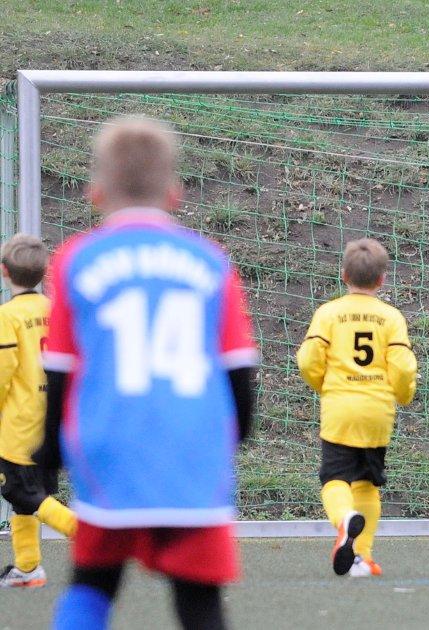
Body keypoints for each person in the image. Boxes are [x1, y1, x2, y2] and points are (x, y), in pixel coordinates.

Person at [35, 116, 258, 629]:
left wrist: (49, 453)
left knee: (93, 583)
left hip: (108, 448)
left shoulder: (76, 260)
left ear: (95, 192)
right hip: (191, 452)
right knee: (200, 601)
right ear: (175, 192)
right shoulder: (210, 263)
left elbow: (60, 370)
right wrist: (233, 437)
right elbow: (239, 370)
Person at [296, 237, 417, 577]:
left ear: (344, 275)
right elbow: (403, 368)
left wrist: (323, 384)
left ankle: (344, 519)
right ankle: (362, 558)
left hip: (340, 408)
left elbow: (308, 359)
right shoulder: (391, 317)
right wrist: (403, 395)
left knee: (334, 478)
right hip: (377, 410)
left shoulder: (329, 313)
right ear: (381, 279)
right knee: (366, 483)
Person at [0, 235, 78, 589]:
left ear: (5, 272)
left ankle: (88, 534)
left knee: (22, 493)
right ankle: (28, 567)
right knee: (30, 497)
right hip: (52, 422)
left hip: (19, 425)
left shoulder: (7, 316)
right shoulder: (54, 310)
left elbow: (3, 372)